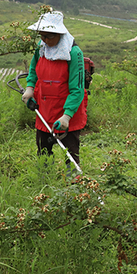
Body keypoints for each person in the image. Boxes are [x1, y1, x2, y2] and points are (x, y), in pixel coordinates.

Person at [21, 11, 87, 169]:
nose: (44, 40)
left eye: (49, 36)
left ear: (59, 33)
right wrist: (30, 88)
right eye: (42, 36)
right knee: (43, 151)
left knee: (70, 154)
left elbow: (77, 89)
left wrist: (66, 116)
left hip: (67, 111)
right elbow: (33, 69)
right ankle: (44, 181)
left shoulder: (74, 53)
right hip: (44, 109)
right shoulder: (41, 47)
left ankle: (73, 185)